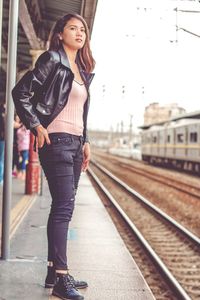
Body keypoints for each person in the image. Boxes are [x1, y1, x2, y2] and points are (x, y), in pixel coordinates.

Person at [12, 13, 95, 300]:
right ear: (60, 34)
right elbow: (20, 92)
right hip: (56, 141)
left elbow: (81, 112)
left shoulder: (82, 69)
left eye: (82, 29)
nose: (79, 33)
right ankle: (61, 278)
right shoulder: (51, 60)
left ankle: (53, 270)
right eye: (72, 28)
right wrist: (35, 125)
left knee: (64, 206)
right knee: (63, 206)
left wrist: (85, 141)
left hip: (74, 143)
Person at [0, 103, 5, 185]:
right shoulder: (3, 119)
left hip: (1, 140)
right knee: (1, 160)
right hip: (1, 140)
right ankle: (0, 178)